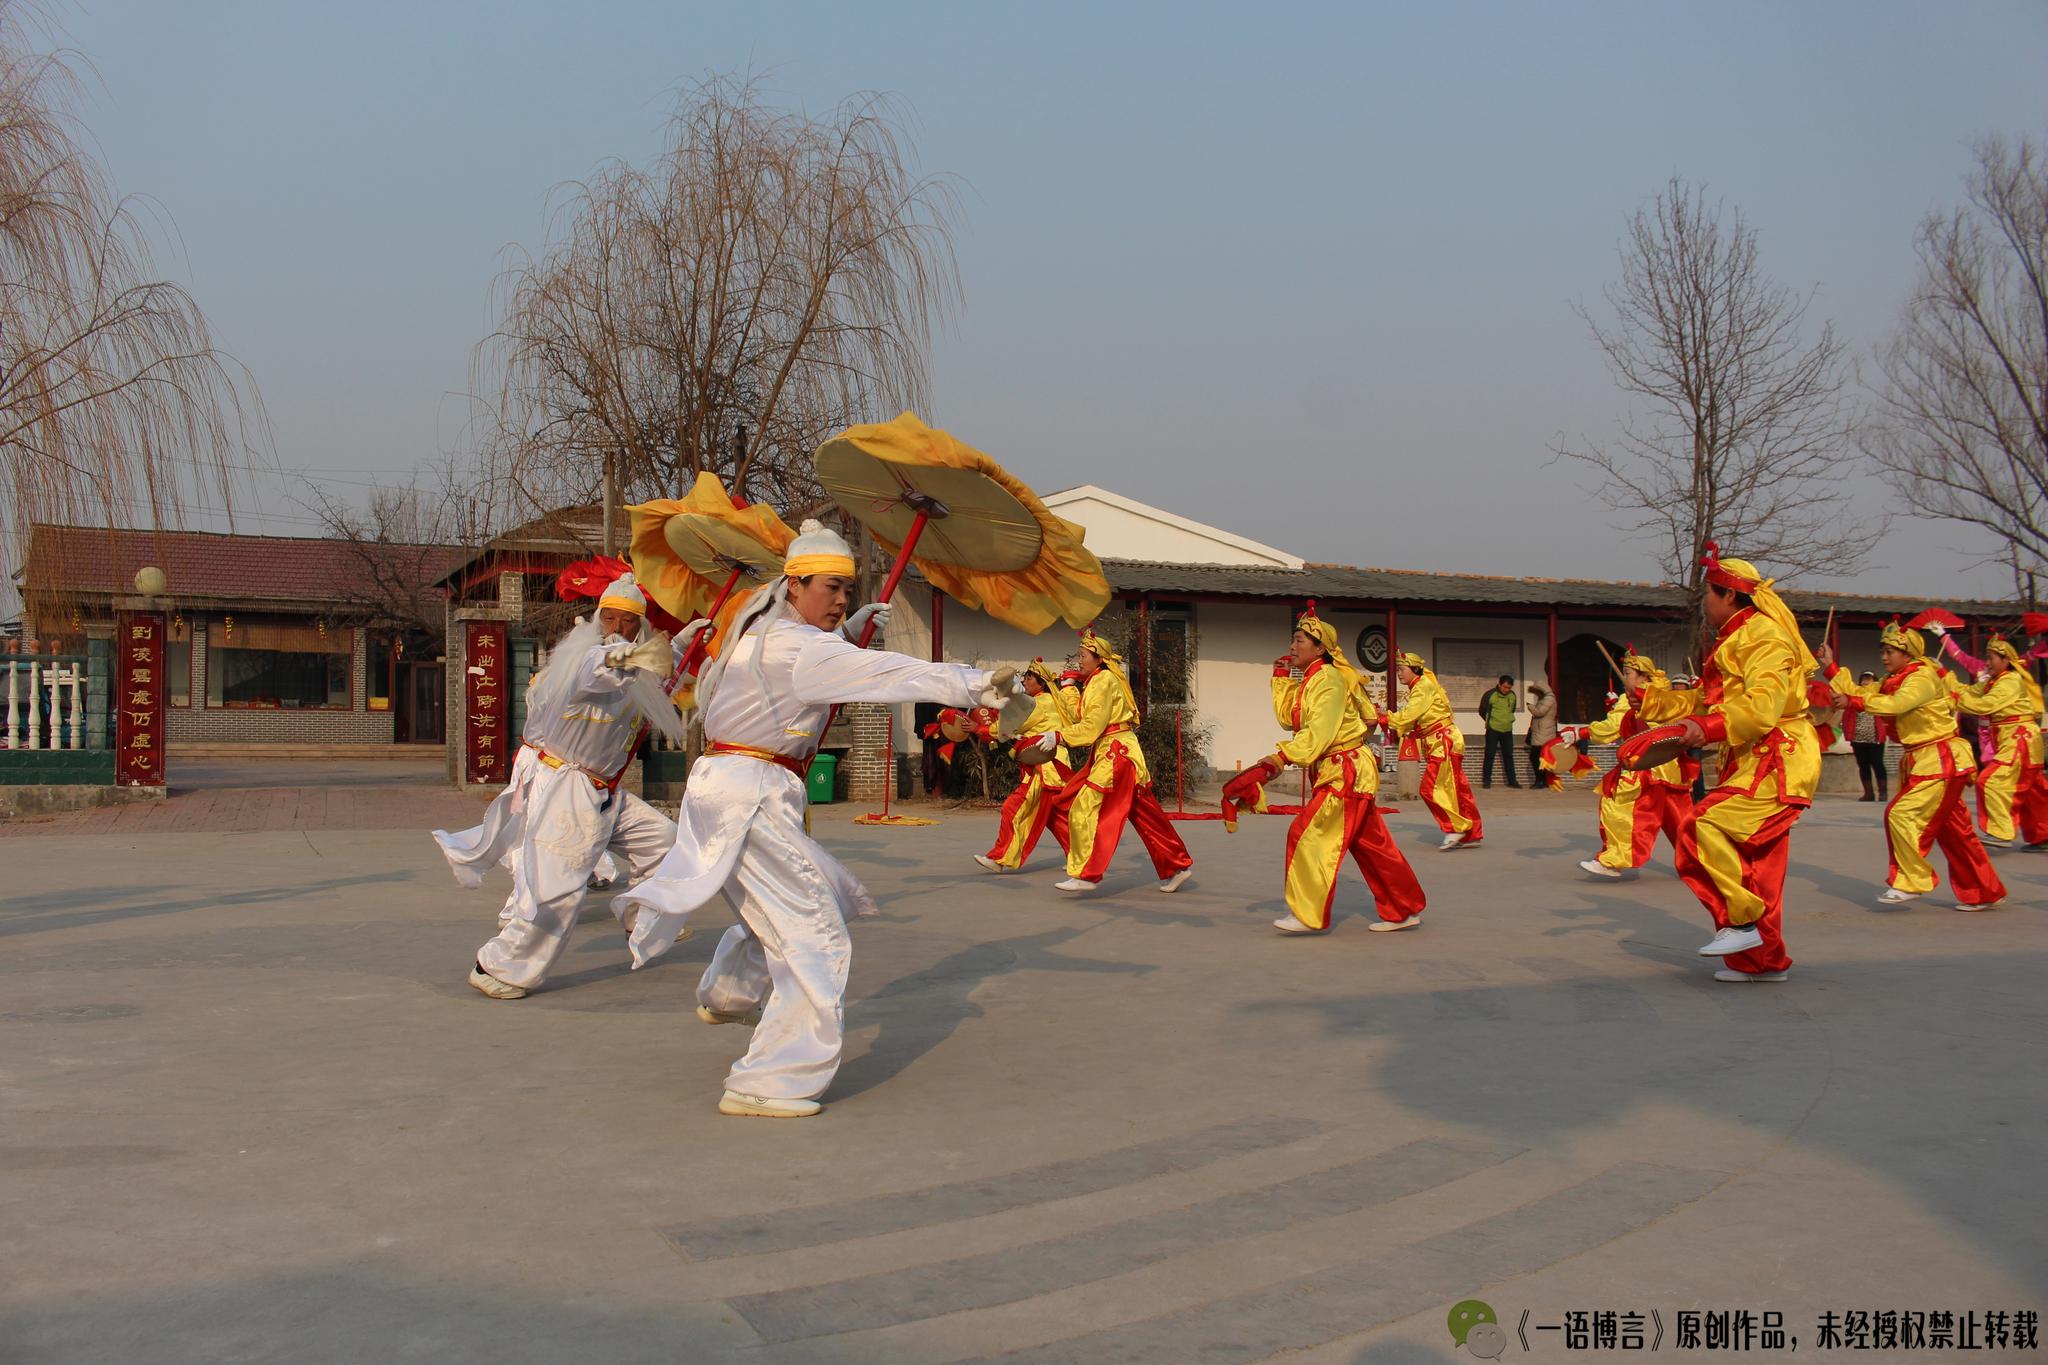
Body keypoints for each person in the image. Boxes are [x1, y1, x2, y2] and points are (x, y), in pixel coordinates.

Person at [613, 521, 1021, 1118]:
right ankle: (772, 1078)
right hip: (751, 797)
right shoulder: (800, 648)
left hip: (730, 789)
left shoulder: (756, 631)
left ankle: (727, 995)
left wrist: (848, 633)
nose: (840, 601)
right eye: (831, 589)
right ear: (795, 584)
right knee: (816, 935)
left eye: (847, 593)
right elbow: (885, 674)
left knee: (796, 898)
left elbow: (815, 669)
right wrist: (973, 683)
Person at [436, 572, 690, 1000]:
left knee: (663, 840)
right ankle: (500, 965)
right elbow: (600, 670)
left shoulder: (638, 666)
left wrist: (684, 643)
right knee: (561, 885)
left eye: (629, 622)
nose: (619, 628)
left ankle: (638, 917)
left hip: (605, 790)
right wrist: (621, 656)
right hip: (569, 788)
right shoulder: (583, 662)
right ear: (598, 619)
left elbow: (656, 668)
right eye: (610, 618)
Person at [1633, 544, 1817, 983]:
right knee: (1758, 867)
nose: (1704, 605)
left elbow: (1763, 707)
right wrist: (1653, 700)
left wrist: (1709, 728)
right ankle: (1762, 962)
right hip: (1755, 756)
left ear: (1729, 595)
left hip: (1778, 756)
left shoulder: (1763, 637)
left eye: (1707, 596)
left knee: (1701, 826)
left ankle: (1742, 920)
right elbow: (1707, 699)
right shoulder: (1737, 638)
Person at [1255, 606, 1426, 935]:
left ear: (1320, 648)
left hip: (1344, 769)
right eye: (1293, 638)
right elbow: (1291, 719)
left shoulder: (1330, 680)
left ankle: (1308, 913)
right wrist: (1279, 680)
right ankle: (1403, 908)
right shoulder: (1313, 679)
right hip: (1340, 768)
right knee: (1372, 845)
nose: (1292, 645)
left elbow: (1319, 732)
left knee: (1307, 833)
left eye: (1300, 639)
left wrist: (1281, 758)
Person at [1822, 621, 2007, 911]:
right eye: (1883, 650)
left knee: (1900, 814)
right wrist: (1832, 668)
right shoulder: (1893, 678)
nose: (1884, 657)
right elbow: (1865, 693)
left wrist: (1853, 701)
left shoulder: (1921, 677)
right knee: (1956, 832)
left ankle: (1911, 880)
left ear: (1908, 654)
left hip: (1940, 758)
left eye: (1890, 651)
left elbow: (1898, 704)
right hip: (1926, 759)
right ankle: (1984, 890)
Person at [1021, 630, 1194, 894]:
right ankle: (1177, 865)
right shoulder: (1097, 681)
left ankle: (1086, 873)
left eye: (1082, 656)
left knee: (1086, 809)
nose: (1078, 660)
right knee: (1146, 815)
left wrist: (1058, 736)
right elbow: (1080, 718)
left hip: (1116, 755)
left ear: (1098, 658)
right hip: (1117, 752)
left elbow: (1091, 726)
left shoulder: (1102, 681)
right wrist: (1068, 690)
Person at [1562, 647, 1696, 879]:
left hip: (1645, 764)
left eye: (1628, 673)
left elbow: (1611, 727)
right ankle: (1702, 862)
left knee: (1618, 804)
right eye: (1623, 672)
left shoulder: (1637, 697)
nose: (1624, 677)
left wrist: (1580, 733)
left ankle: (1614, 860)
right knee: (1680, 819)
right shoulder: (1662, 694)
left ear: (1643, 676)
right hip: (1669, 767)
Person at [974, 658, 1076, 872]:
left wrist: (979, 728)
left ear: (1041, 683)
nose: (1025, 681)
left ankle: (1000, 858)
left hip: (1044, 769)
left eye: (1029, 678)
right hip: (1050, 766)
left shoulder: (1040, 703)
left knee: (1013, 808)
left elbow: (1012, 723)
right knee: (1054, 817)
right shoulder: (1047, 701)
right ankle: (1080, 857)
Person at [1948, 633, 2047, 850]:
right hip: (2016, 739)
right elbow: (1970, 692)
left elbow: (1984, 706)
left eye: (1991, 657)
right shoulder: (1995, 681)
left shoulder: (2010, 681)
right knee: (2033, 792)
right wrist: (1946, 680)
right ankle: (2043, 835)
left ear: (2005, 660)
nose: (1987, 662)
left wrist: (1953, 698)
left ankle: (2000, 832)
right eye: (1987, 657)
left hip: (2020, 739)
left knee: (1990, 781)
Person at [1385, 651, 1484, 849]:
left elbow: (1409, 715)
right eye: (1398, 669)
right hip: (1443, 740)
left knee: (1430, 788)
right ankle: (1470, 832)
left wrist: (1385, 718)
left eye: (1402, 669)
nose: (1399, 673)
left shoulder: (1422, 687)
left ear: (1414, 670)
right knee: (1457, 789)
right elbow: (1416, 719)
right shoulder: (1421, 686)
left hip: (1443, 742)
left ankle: (1456, 828)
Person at [1846, 671, 1891, 803]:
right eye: (1864, 679)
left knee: (1878, 764)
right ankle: (1868, 793)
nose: (1866, 682)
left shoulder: (1878, 697)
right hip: (1858, 738)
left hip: (1875, 738)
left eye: (1869, 679)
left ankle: (1883, 793)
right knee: (1863, 765)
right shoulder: (1855, 696)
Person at [1478, 674, 1520, 788]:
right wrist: (1490, 721)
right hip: (1493, 729)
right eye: (1505, 687)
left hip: (1507, 729)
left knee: (1508, 755)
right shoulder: (1490, 695)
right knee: (1489, 755)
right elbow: (1482, 710)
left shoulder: (1512, 696)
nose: (1507, 690)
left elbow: (1512, 709)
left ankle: (1512, 781)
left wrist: (1507, 720)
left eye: (1509, 688)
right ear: (1500, 684)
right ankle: (1487, 781)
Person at [1526, 683, 1560, 790]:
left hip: (1544, 733)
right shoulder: (1545, 699)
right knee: (1539, 758)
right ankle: (1542, 780)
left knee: (1536, 757)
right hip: (1541, 732)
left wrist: (1530, 706)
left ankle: (1540, 780)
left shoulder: (1549, 699)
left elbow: (1539, 712)